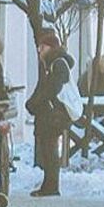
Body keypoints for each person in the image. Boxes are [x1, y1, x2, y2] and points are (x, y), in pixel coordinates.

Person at [27, 30, 75, 198]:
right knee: (48, 149)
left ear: (50, 47)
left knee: (50, 149)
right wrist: (33, 103)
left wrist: (37, 102)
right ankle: (49, 185)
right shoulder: (49, 64)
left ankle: (51, 186)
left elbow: (52, 88)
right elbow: (43, 87)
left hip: (54, 114)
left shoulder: (57, 64)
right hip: (49, 112)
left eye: (42, 47)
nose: (39, 50)